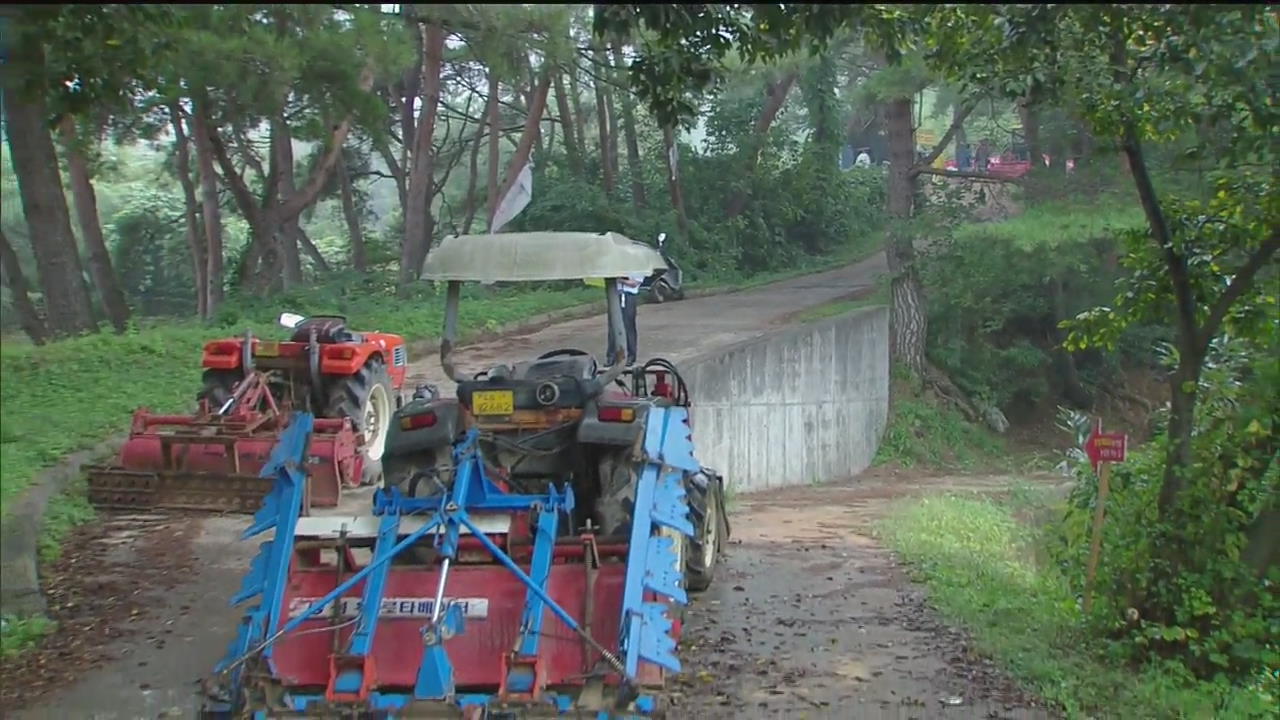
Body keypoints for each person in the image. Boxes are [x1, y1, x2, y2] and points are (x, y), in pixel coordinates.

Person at [606, 273, 646, 366]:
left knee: (628, 326)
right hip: (616, 294)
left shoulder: (638, 267)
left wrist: (621, 280)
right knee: (613, 326)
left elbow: (634, 283)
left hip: (629, 295)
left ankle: (631, 355)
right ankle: (611, 356)